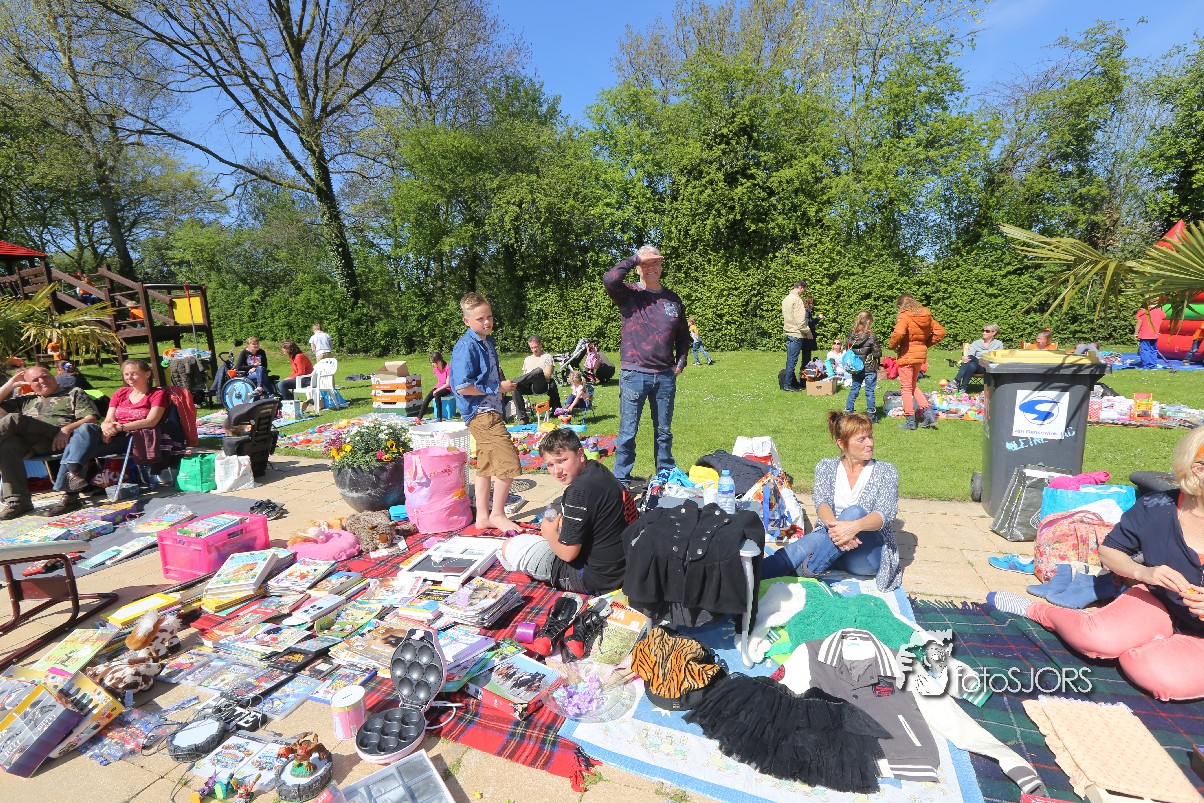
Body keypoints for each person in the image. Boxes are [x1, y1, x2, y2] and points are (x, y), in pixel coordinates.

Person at [988, 427, 1204, 701]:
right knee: (1097, 639)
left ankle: (1156, 646)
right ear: (1198, 469)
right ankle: (1039, 611)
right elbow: (1111, 551)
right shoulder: (1156, 507)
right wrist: (1143, 572)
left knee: (1159, 675)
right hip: (1161, 602)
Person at [761, 411, 901, 591]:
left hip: (866, 556)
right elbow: (822, 503)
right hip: (832, 540)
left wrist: (854, 527)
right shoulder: (826, 466)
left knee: (854, 512)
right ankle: (746, 577)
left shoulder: (886, 471)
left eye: (870, 436)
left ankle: (812, 568)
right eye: (862, 439)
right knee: (797, 550)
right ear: (842, 444)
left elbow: (884, 514)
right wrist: (839, 532)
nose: (870, 443)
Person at [500, 428, 635, 594]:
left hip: (596, 578)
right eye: (550, 464)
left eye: (562, 460)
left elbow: (568, 554)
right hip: (623, 566)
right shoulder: (598, 469)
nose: (557, 471)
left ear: (580, 454)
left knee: (508, 546)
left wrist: (549, 533)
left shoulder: (578, 492)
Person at [603, 245, 691, 484]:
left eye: (655, 263)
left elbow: (684, 336)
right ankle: (621, 480)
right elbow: (610, 279)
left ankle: (665, 476)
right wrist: (635, 258)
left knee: (664, 432)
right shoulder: (629, 294)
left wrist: (680, 363)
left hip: (665, 376)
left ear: (661, 267)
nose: (651, 268)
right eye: (646, 264)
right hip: (634, 373)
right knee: (628, 432)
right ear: (638, 269)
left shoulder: (672, 299)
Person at [451, 292, 523, 532]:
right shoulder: (466, 347)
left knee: (487, 465)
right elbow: (462, 387)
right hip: (480, 413)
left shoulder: (487, 341)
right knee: (508, 461)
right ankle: (498, 514)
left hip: (491, 409)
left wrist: (502, 388)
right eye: (480, 319)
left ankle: (482, 516)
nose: (487, 322)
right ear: (467, 321)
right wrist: (497, 387)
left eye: (489, 317)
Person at [0, 365, 102, 517]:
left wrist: (66, 429)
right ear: (29, 385)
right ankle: (19, 501)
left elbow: (90, 419)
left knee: (13, 419)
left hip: (60, 439)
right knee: (6, 446)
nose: (42, 381)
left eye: (45, 376)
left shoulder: (73, 392)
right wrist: (10, 384)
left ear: (53, 376)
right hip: (33, 444)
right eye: (35, 380)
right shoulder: (26, 399)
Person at [100, 359, 171, 491]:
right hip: (113, 434)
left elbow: (151, 421)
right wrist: (106, 428)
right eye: (126, 374)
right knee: (85, 431)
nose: (129, 377)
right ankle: (74, 475)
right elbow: (108, 419)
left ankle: (74, 478)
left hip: (133, 436)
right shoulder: (120, 393)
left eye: (134, 374)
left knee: (85, 443)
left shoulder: (157, 394)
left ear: (147, 374)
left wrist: (120, 428)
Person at [888, 294, 945, 430]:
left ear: (901, 305)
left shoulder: (904, 316)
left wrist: (892, 346)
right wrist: (924, 344)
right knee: (912, 386)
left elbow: (899, 333)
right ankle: (929, 415)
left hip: (907, 355)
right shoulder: (926, 315)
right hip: (919, 356)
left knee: (906, 389)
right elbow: (940, 332)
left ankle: (910, 422)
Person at [512, 336, 561, 424]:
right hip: (528, 386)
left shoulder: (547, 357)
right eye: (532, 348)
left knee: (538, 371)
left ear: (540, 345)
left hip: (541, 385)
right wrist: (529, 377)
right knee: (515, 387)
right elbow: (524, 376)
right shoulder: (527, 359)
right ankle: (523, 418)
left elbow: (547, 376)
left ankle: (513, 381)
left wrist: (534, 375)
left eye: (536, 347)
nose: (534, 350)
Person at [845, 311, 883, 418]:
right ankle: (871, 415)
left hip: (856, 367)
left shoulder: (851, 335)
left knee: (854, 389)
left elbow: (847, 349)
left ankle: (848, 411)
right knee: (869, 391)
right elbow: (877, 353)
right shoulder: (871, 336)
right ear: (869, 321)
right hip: (869, 367)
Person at [952, 324, 1005, 391]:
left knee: (971, 360)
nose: (984, 333)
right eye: (983, 330)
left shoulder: (998, 344)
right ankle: (962, 389)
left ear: (993, 333)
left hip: (987, 367)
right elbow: (970, 355)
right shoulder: (976, 343)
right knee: (972, 365)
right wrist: (964, 358)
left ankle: (956, 381)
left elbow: (999, 357)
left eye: (987, 331)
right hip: (977, 367)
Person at [780, 280, 808, 392]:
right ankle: (787, 385)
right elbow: (801, 322)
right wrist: (808, 332)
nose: (804, 292)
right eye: (804, 289)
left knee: (790, 360)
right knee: (792, 361)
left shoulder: (786, 299)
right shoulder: (797, 300)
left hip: (788, 332)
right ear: (800, 287)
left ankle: (790, 383)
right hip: (796, 333)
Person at [417, 352, 452, 421]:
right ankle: (419, 417)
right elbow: (440, 380)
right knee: (427, 398)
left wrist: (437, 390)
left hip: (447, 388)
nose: (432, 364)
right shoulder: (435, 369)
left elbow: (448, 384)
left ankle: (439, 417)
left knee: (436, 394)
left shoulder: (448, 369)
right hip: (440, 386)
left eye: (433, 362)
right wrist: (436, 388)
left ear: (439, 361)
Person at [1135, 298, 1166, 369]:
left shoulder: (1143, 311)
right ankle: (1153, 365)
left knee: (1145, 350)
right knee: (1153, 350)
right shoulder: (1160, 311)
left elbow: (1139, 323)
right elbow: (1161, 322)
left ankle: (1146, 366)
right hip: (1155, 334)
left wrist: (1136, 333)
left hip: (1144, 334)